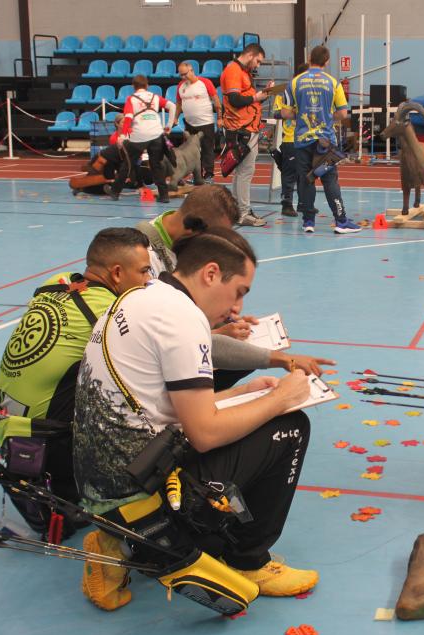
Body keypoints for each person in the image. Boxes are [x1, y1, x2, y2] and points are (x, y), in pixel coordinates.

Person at [73, 229, 318, 612]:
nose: (237, 307)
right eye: (238, 291)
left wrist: (241, 393)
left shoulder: (141, 295)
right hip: (142, 488)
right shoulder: (182, 319)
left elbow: (157, 407)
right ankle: (249, 560)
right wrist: (280, 399)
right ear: (210, 273)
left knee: (256, 412)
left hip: (101, 488)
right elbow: (203, 434)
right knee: (291, 427)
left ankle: (115, 541)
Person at [0, 228, 153, 533]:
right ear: (117, 273)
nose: (148, 280)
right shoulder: (111, 311)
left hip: (5, 424)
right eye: (144, 271)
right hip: (45, 442)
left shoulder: (57, 282)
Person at [133, 183, 335, 389]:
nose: (219, 244)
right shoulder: (142, 260)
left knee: (245, 355)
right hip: (158, 376)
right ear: (192, 226)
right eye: (216, 236)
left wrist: (223, 320)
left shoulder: (184, 244)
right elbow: (171, 339)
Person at [281, 45, 362, 235]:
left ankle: (308, 221)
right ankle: (341, 221)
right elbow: (343, 113)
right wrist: (326, 116)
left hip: (302, 140)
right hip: (325, 141)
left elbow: (285, 113)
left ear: (310, 59)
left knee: (306, 180)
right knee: (330, 180)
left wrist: (302, 114)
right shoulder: (333, 83)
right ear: (326, 61)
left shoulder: (294, 82)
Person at [221, 43, 273, 227]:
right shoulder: (233, 70)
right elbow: (235, 100)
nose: (258, 65)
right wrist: (256, 97)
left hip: (246, 128)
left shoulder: (243, 72)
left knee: (242, 172)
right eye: (258, 61)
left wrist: (263, 95)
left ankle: (237, 211)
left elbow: (247, 100)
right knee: (245, 172)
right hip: (241, 129)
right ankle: (243, 213)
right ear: (250, 55)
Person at [110, 75, 177, 203]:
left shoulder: (131, 99)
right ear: (147, 85)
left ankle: (115, 192)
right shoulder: (155, 97)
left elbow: (128, 117)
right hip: (156, 134)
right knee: (156, 165)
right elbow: (172, 106)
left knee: (128, 164)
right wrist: (169, 126)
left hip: (139, 136)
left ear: (133, 86)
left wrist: (123, 136)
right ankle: (164, 196)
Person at [172, 61, 220, 185]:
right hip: (189, 124)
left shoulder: (205, 82)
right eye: (181, 75)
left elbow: (216, 101)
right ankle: (196, 176)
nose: (183, 77)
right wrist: (175, 117)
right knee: (190, 152)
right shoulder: (180, 86)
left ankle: (208, 175)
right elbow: (179, 104)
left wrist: (220, 118)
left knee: (207, 149)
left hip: (206, 123)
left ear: (192, 70)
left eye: (185, 74)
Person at [271, 67, 304, 217]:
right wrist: (295, 112)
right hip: (290, 139)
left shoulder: (310, 93)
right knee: (289, 174)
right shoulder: (285, 92)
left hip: (307, 139)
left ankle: (304, 203)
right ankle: (287, 204)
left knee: (305, 175)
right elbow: (276, 114)